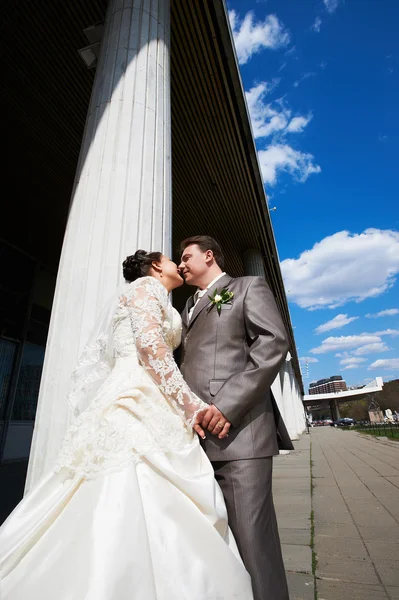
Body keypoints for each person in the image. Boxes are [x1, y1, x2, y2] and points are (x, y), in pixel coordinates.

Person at [0, 250, 253, 600]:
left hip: (152, 394)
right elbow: (150, 350)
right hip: (136, 394)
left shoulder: (157, 296)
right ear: (153, 267)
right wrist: (192, 406)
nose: (177, 265)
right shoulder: (145, 288)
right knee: (125, 481)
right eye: (171, 260)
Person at [179, 236, 293, 600]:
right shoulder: (187, 306)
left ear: (208, 255)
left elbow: (273, 344)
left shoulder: (246, 287)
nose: (180, 264)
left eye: (186, 257)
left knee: (252, 541)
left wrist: (227, 405)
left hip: (240, 435)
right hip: (193, 439)